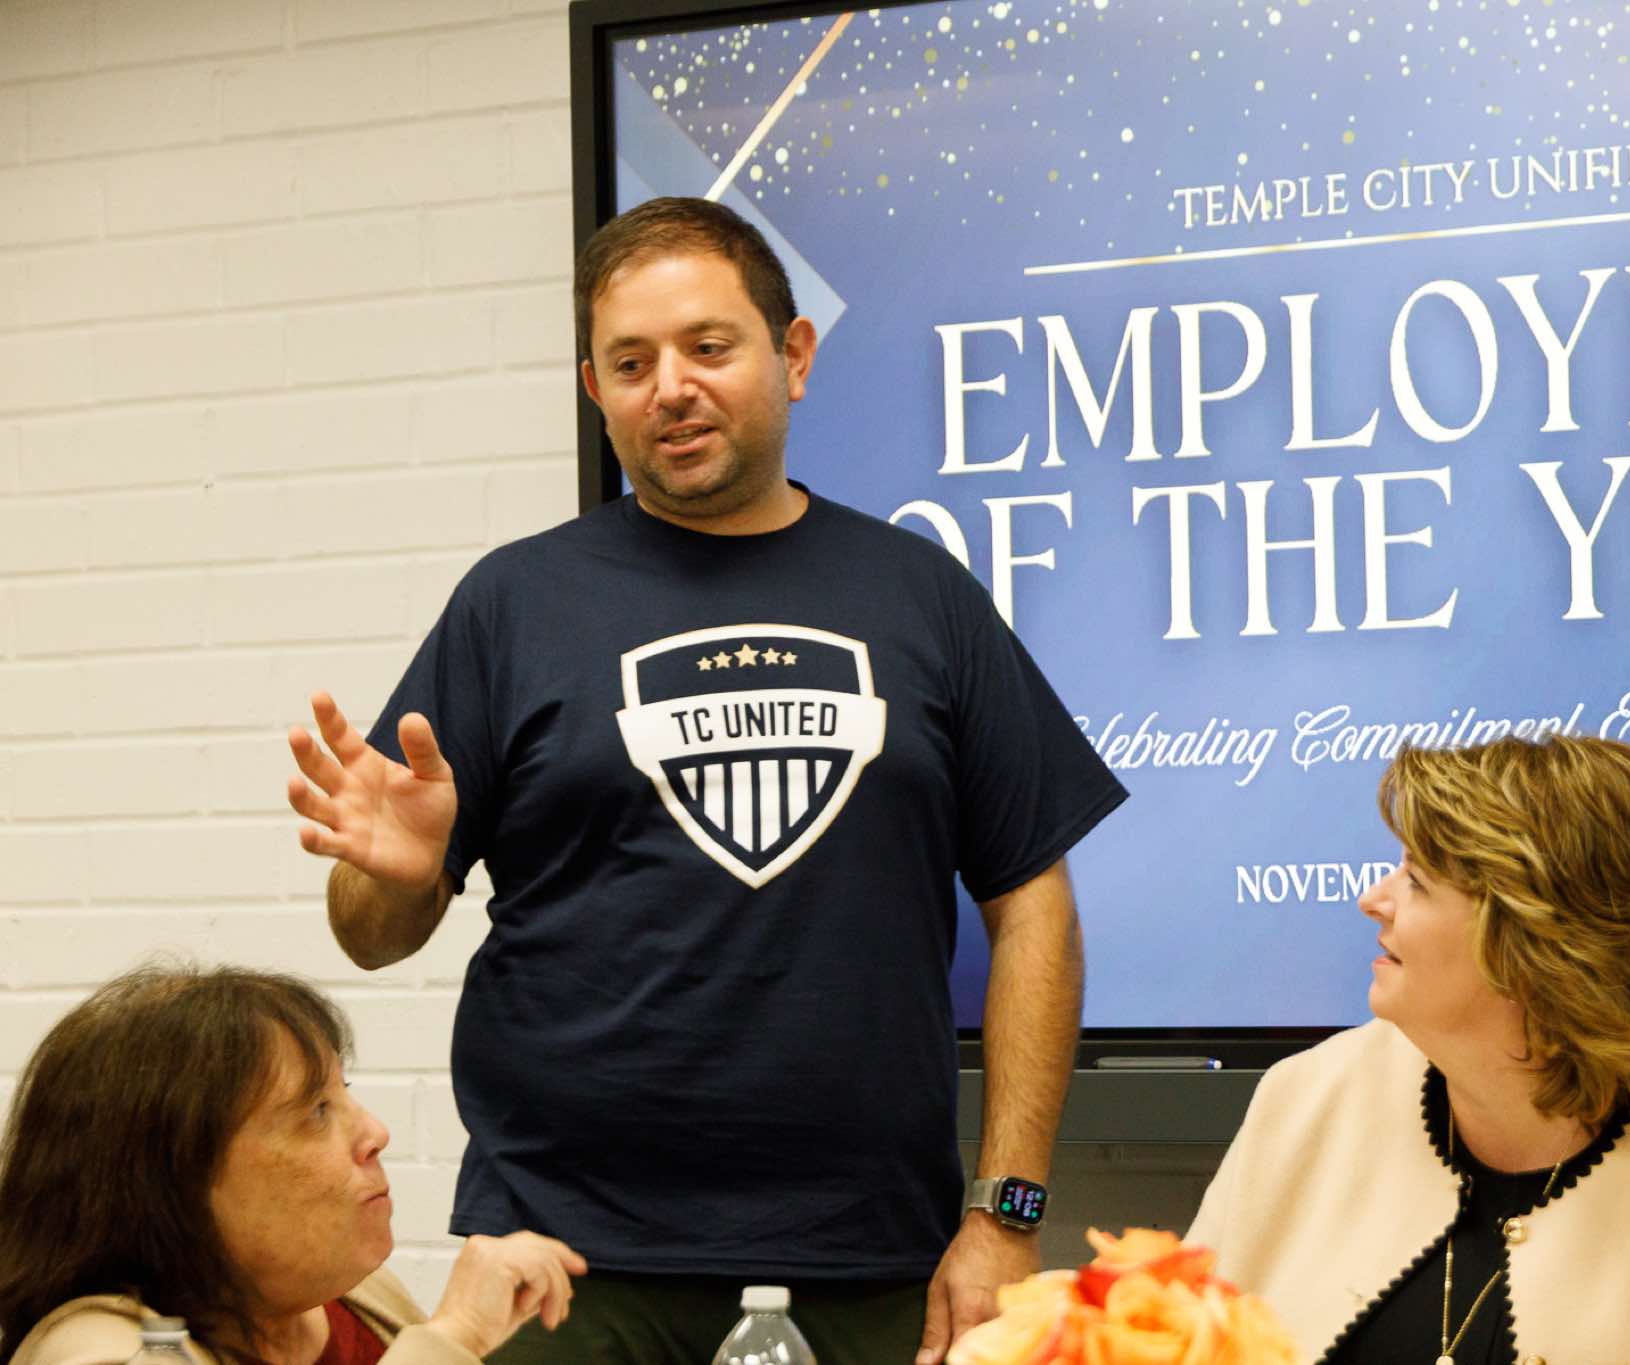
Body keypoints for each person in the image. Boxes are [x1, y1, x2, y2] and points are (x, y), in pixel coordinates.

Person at [283, 196, 1126, 1365]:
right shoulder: (511, 604)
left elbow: (1033, 908)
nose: (669, 388)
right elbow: (370, 936)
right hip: (560, 1267)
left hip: (875, 1262)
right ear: (596, 391)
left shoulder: (921, 597)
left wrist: (1005, 1216)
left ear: (793, 355)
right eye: (631, 363)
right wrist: (401, 874)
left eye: (707, 347)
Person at [1185, 735, 1630, 1364]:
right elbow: (1169, 1334)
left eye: (1417, 881)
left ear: (1530, 943)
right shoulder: (1306, 1099)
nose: (1373, 900)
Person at [0, 964, 585, 1365]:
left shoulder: (358, 1300)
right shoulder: (101, 1349)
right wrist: (454, 1338)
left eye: (342, 1093)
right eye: (316, 1111)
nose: (375, 1134)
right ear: (173, 1183)